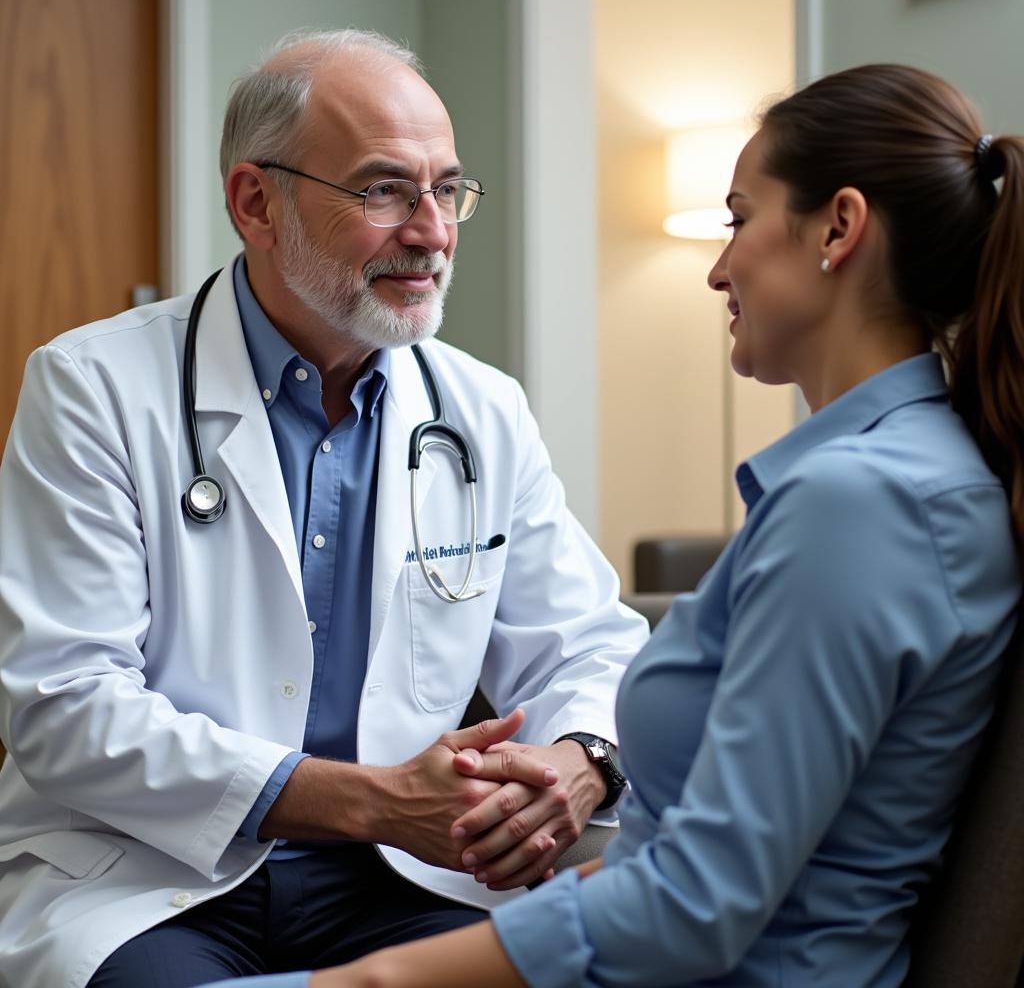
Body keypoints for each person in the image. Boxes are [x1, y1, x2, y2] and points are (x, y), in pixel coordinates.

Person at [203, 62, 1024, 988]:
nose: (718, 266)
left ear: (838, 228)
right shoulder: (901, 478)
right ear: (256, 205)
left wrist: (365, 983)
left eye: (739, 218)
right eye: (388, 190)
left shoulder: (862, 507)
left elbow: (694, 904)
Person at [0, 30, 648, 988]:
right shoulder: (94, 386)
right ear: (257, 202)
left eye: (448, 189)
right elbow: (63, 703)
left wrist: (581, 756)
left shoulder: (482, 409)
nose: (431, 230)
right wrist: (372, 801)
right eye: (385, 189)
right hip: (150, 874)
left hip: (404, 878)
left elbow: (590, 643)